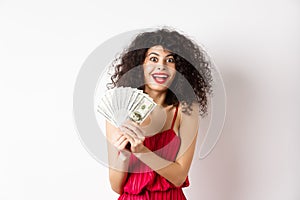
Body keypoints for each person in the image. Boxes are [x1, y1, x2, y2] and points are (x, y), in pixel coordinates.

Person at [105, 27, 213, 199]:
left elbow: (179, 177)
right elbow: (117, 187)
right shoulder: (119, 112)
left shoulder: (185, 111)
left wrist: (142, 151)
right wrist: (124, 155)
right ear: (140, 65)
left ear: (179, 69)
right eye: (153, 59)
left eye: (169, 60)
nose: (161, 66)